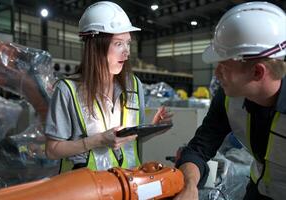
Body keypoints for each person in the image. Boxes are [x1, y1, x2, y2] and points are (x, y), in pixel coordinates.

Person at [174, 2, 286, 200]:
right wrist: (189, 185)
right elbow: (199, 148)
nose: (216, 73)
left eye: (224, 66)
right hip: (258, 192)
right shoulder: (229, 98)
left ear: (257, 72)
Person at [45, 1, 172, 172]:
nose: (126, 51)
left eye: (128, 43)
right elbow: (52, 150)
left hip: (128, 185)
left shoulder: (134, 85)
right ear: (95, 46)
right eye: (118, 43)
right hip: (86, 189)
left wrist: (153, 128)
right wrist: (98, 140)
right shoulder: (68, 90)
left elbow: (129, 140)